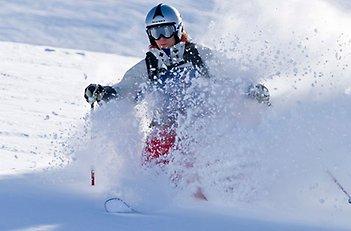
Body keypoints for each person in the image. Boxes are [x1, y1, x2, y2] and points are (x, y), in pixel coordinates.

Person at [84, 3, 270, 198]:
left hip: (201, 127)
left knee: (190, 163)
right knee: (154, 150)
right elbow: (127, 90)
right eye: (155, 32)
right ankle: (148, 197)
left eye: (166, 30)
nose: (162, 38)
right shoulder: (149, 65)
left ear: (178, 29)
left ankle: (200, 208)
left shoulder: (199, 55)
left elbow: (231, 77)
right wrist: (105, 93)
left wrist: (252, 90)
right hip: (165, 128)